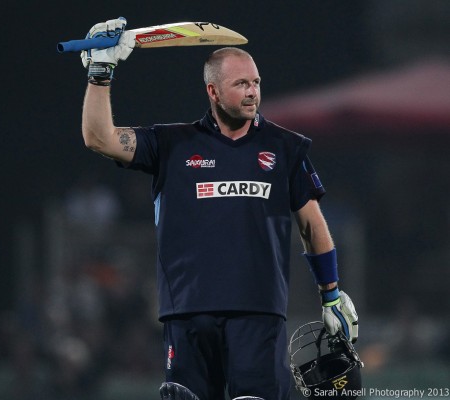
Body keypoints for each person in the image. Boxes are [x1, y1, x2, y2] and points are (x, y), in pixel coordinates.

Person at [79, 17, 359, 400]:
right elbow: (99, 138)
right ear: (212, 90)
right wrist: (100, 74)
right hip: (187, 313)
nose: (252, 92)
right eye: (241, 84)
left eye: (256, 83)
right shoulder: (171, 144)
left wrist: (331, 293)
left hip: (258, 314)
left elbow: (313, 226)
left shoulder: (286, 148)